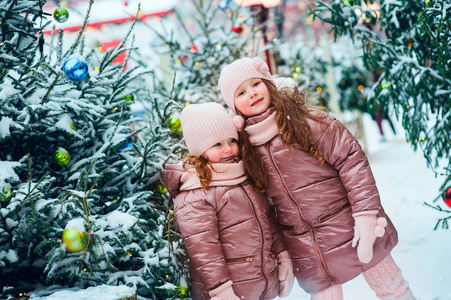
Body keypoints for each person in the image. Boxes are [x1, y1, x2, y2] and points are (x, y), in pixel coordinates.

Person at [217, 57, 416, 300]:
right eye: (241, 92)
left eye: (256, 84)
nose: (252, 94)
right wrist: (281, 253)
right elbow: (262, 209)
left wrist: (365, 214)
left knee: (392, 288)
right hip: (306, 247)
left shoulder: (304, 122)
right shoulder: (247, 150)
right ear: (234, 107)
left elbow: (351, 161)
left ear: (268, 84)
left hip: (350, 226)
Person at [162, 102, 294, 299]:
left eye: (232, 140)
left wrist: (282, 255)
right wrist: (220, 289)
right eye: (217, 144)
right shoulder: (195, 191)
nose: (228, 150)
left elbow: (267, 221)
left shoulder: (243, 176)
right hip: (228, 292)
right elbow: (203, 249)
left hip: (260, 285)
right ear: (200, 149)